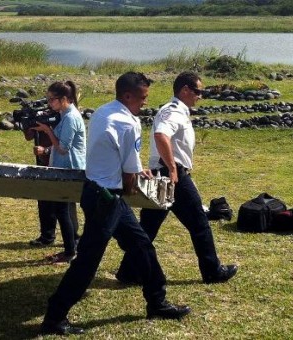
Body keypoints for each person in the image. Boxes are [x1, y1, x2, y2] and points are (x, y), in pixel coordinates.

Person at [40, 72, 190, 336]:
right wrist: (134, 177)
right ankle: (54, 316)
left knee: (141, 244)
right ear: (128, 96)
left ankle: (157, 301)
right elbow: (129, 180)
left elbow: (115, 156)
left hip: (97, 191)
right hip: (106, 198)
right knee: (88, 259)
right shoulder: (128, 123)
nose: (146, 102)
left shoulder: (102, 111)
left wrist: (132, 169)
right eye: (143, 97)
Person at [115, 71, 238, 286]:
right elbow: (161, 135)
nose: (200, 96)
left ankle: (128, 271)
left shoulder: (176, 111)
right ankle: (212, 270)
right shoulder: (174, 112)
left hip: (164, 173)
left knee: (148, 227)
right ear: (185, 90)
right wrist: (172, 167)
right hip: (173, 175)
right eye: (198, 91)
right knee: (199, 223)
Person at [30, 81, 86, 264]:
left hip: (69, 168)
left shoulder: (71, 117)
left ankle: (70, 251)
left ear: (64, 99)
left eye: (52, 99)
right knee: (61, 209)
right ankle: (70, 249)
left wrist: (48, 131)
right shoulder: (64, 114)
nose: (49, 103)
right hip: (62, 167)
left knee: (63, 210)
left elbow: (63, 147)